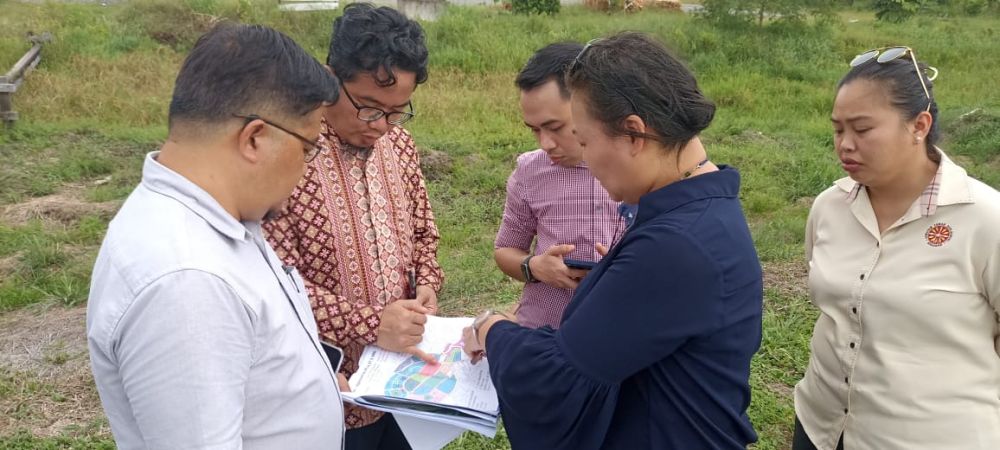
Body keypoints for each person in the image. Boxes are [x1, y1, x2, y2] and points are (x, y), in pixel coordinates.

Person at [462, 32, 763, 449]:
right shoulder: (702, 210)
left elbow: (557, 378)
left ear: (634, 134)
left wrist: (491, 327)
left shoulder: (675, 244)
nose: (582, 158)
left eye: (584, 140)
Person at [86, 23, 345, 448]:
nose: (307, 168)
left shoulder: (219, 217)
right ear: (255, 139)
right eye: (309, 148)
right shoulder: (187, 282)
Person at [793, 46, 1000, 450]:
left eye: (862, 129)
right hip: (822, 429)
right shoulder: (830, 207)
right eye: (838, 129)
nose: (845, 145)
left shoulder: (985, 220)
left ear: (919, 125)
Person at [262, 3, 440, 448]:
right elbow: (277, 285)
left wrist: (428, 281)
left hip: (402, 380)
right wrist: (371, 322)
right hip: (330, 385)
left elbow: (424, 234)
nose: (381, 126)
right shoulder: (291, 155)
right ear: (329, 78)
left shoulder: (399, 146)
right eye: (369, 108)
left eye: (397, 111)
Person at [494, 42, 632, 329]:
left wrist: (623, 271)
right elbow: (506, 250)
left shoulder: (634, 167)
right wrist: (534, 267)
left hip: (618, 329)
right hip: (544, 328)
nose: (545, 144)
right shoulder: (529, 172)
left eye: (555, 128)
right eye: (534, 130)